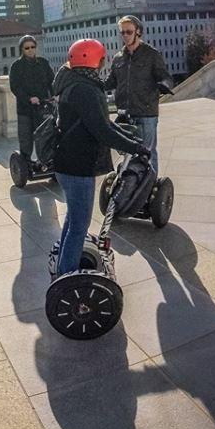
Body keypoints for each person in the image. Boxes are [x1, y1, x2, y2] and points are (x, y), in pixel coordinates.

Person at [51, 39, 149, 276]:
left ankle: (62, 267)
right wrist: (135, 147)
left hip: (67, 162)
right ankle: (67, 276)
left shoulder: (73, 82)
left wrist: (129, 138)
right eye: (102, 58)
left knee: (73, 220)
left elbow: (100, 124)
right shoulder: (85, 89)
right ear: (95, 60)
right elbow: (102, 130)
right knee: (79, 225)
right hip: (78, 166)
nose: (104, 62)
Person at [103, 15, 173, 174]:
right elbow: (110, 81)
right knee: (128, 152)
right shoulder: (118, 57)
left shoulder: (151, 54)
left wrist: (164, 85)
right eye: (122, 32)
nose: (125, 36)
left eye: (129, 32)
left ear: (138, 32)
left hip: (146, 112)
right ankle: (132, 185)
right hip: (125, 113)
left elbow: (165, 76)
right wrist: (93, 85)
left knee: (147, 151)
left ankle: (151, 187)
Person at [8, 34, 54, 162]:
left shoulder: (43, 63)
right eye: (27, 48)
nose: (30, 50)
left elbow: (51, 81)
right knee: (26, 139)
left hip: (43, 107)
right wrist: (29, 98)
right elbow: (15, 87)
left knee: (45, 137)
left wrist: (54, 95)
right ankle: (26, 164)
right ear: (22, 49)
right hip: (25, 109)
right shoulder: (16, 66)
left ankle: (46, 161)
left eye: (32, 47)